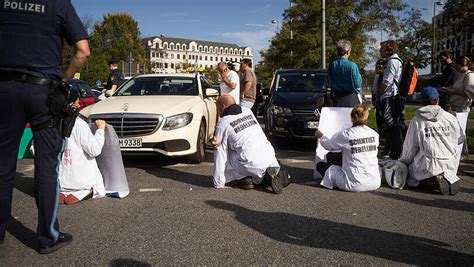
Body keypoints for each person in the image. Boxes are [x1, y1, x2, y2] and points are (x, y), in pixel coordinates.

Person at [0, 0, 89, 253]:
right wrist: (63, 79)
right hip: (43, 91)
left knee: (3, 164)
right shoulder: (58, 4)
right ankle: (47, 237)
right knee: (48, 167)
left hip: (4, 88)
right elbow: (83, 51)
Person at [212, 95, 285, 193]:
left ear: (223, 106)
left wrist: (218, 182)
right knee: (249, 143)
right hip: (270, 156)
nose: (218, 111)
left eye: (217, 108)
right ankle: (268, 177)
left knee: (225, 148)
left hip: (250, 163)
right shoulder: (247, 111)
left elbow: (219, 153)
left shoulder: (223, 124)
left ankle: (243, 179)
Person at [399, 87, 464, 195]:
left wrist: (404, 162)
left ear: (421, 102)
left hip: (429, 163)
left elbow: (410, 148)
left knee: (410, 175)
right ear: (437, 100)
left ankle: (430, 180)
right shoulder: (450, 117)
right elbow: (460, 139)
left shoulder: (417, 121)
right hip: (449, 161)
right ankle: (447, 176)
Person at [315, 105, 381, 192]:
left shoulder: (347, 134)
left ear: (352, 118)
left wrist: (321, 136)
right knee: (334, 156)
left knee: (320, 165)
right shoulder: (374, 134)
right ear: (366, 118)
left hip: (354, 184)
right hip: (375, 182)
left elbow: (329, 146)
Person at [59, 91, 107, 205]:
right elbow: (94, 150)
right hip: (81, 180)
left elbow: (35, 150)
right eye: (77, 102)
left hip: (58, 179)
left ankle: (62, 191)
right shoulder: (79, 124)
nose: (80, 105)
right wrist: (100, 130)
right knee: (91, 182)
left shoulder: (52, 123)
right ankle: (85, 190)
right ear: (72, 105)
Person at [377, 40, 404, 159]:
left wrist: (379, 94)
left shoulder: (392, 61)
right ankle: (392, 149)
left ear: (389, 49)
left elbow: (387, 81)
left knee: (390, 125)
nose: (380, 51)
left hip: (389, 97)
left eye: (382, 49)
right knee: (391, 125)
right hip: (392, 96)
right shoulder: (395, 61)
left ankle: (394, 151)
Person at [328, 40, 363, 107]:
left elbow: (329, 81)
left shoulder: (332, 65)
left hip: (336, 98)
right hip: (351, 98)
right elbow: (358, 84)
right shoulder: (352, 65)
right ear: (347, 52)